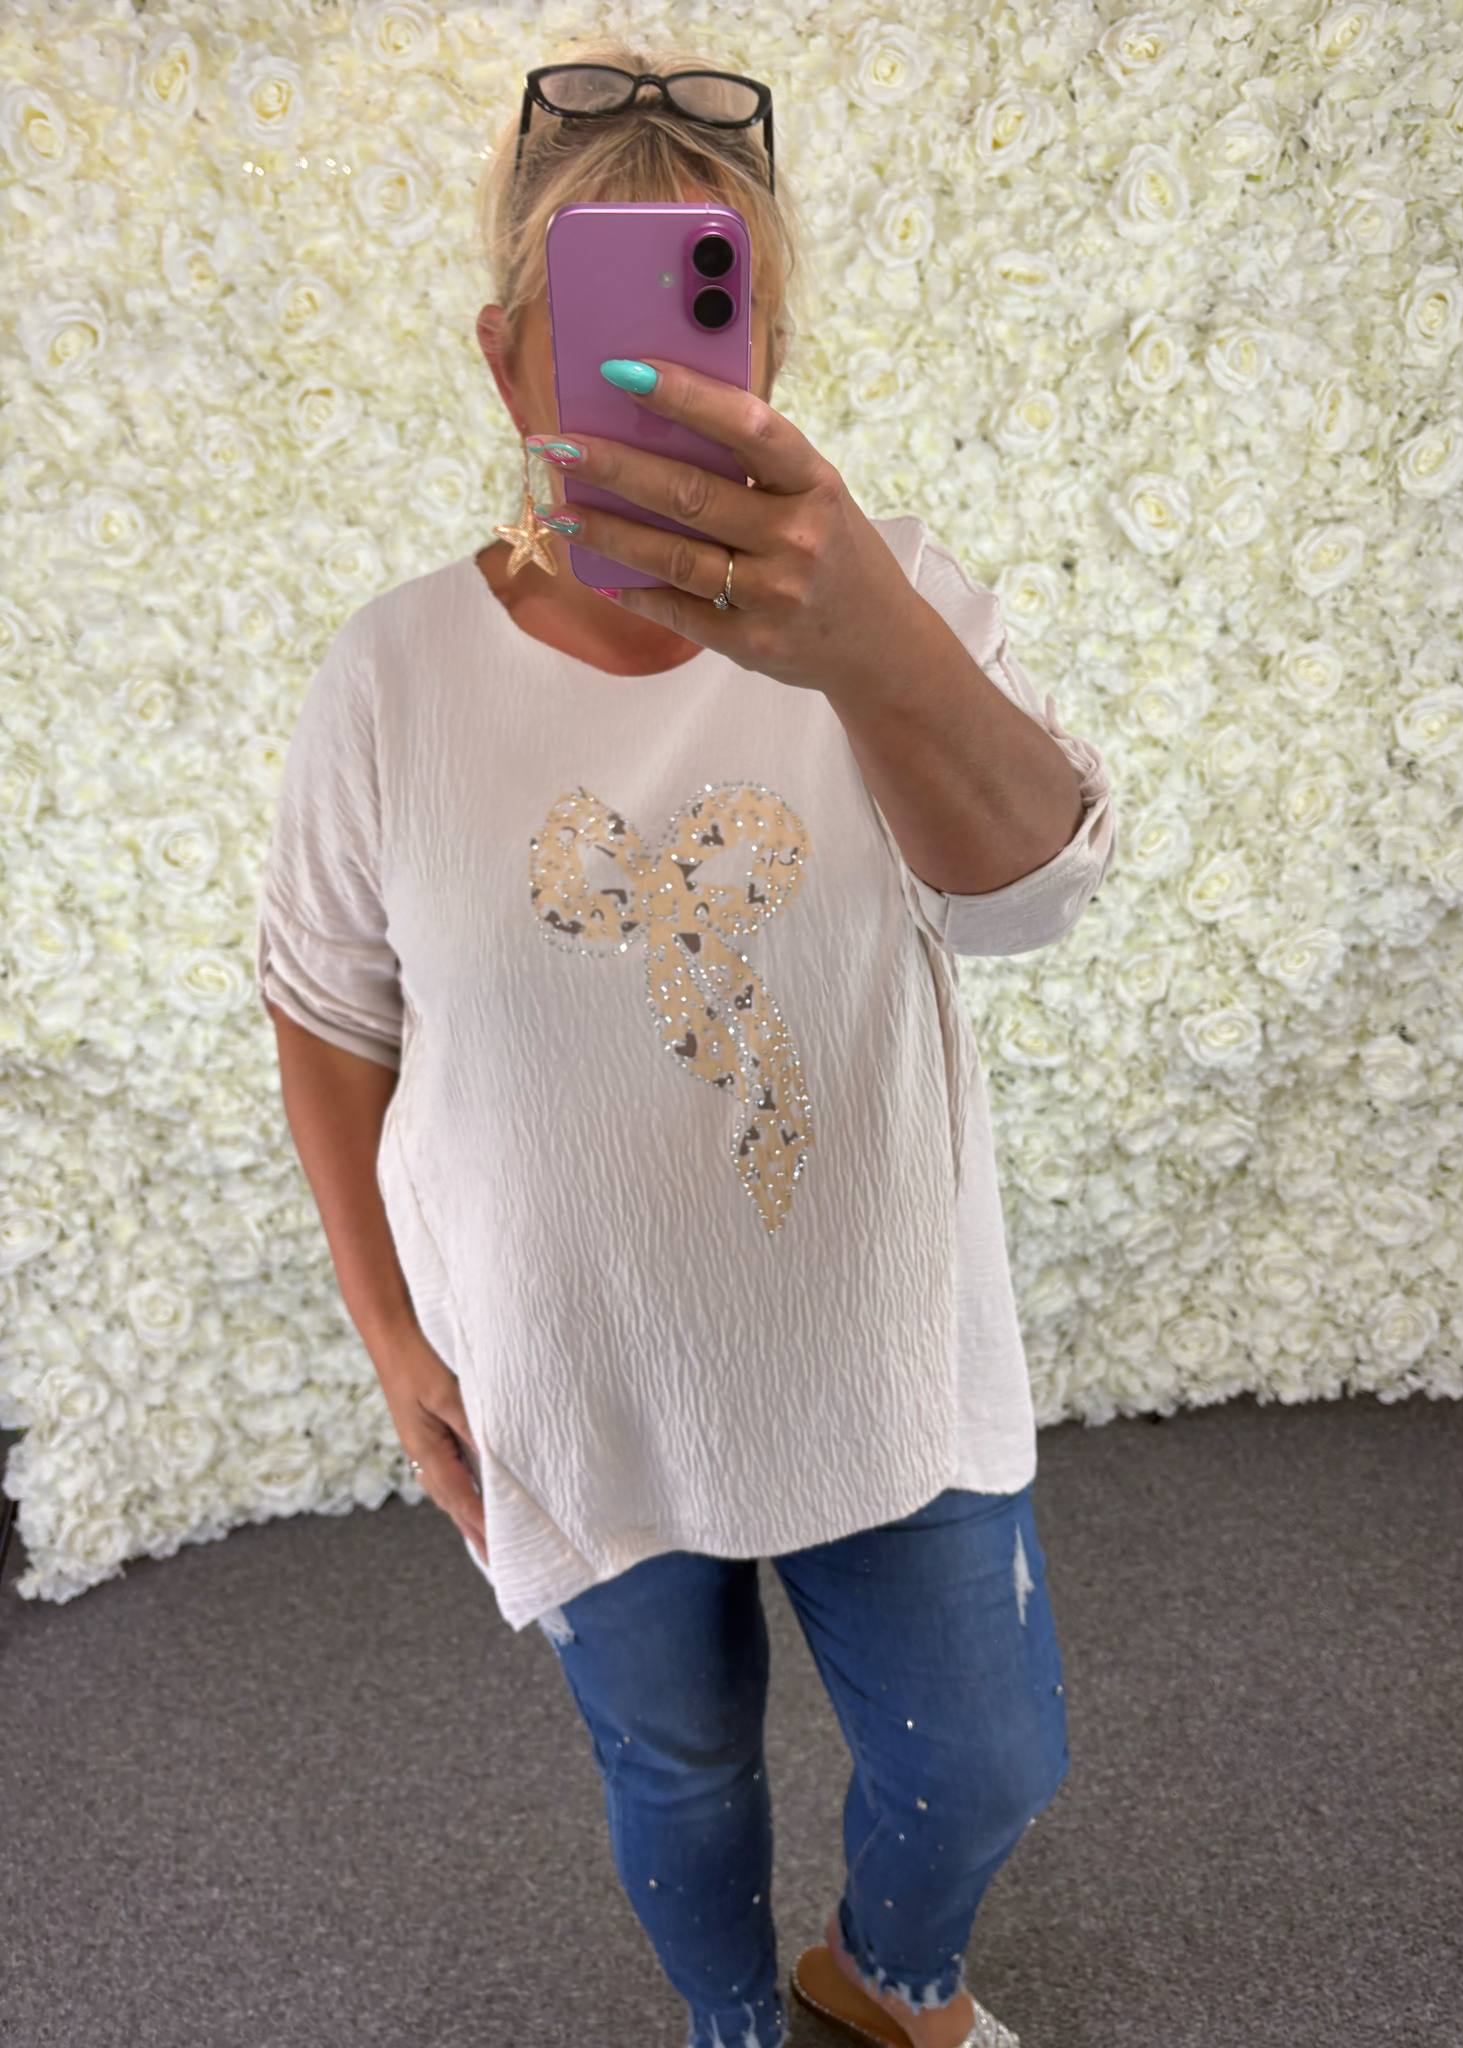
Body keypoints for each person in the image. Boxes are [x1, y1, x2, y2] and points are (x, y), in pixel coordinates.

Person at [256, 36, 1117, 2048]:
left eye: (703, 323)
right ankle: (738, 2027)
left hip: (876, 1347)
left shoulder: (888, 608)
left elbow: (1036, 896)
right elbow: (325, 1007)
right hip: (573, 1375)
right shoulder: (392, 676)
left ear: (769, 352)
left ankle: (887, 1982)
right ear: (506, 363)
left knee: (991, 1749)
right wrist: (390, 1339)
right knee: (679, 1768)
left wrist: (868, 641)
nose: (654, 384)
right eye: (598, 334)